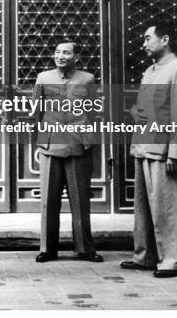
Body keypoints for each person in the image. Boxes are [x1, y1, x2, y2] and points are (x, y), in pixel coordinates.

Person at [120, 20, 177, 278]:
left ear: (165, 40)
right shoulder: (151, 70)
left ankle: (173, 261)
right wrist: (134, 111)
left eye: (147, 38)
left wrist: (176, 151)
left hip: (164, 149)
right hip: (143, 146)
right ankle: (145, 256)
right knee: (143, 208)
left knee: (168, 207)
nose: (143, 44)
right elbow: (145, 107)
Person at [33, 40, 103, 264]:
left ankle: (84, 248)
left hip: (78, 146)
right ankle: (47, 249)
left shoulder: (87, 79)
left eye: (66, 53)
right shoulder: (43, 78)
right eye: (57, 52)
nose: (60, 56)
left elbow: (92, 111)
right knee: (48, 200)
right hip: (51, 145)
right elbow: (37, 110)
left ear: (76, 57)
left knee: (81, 200)